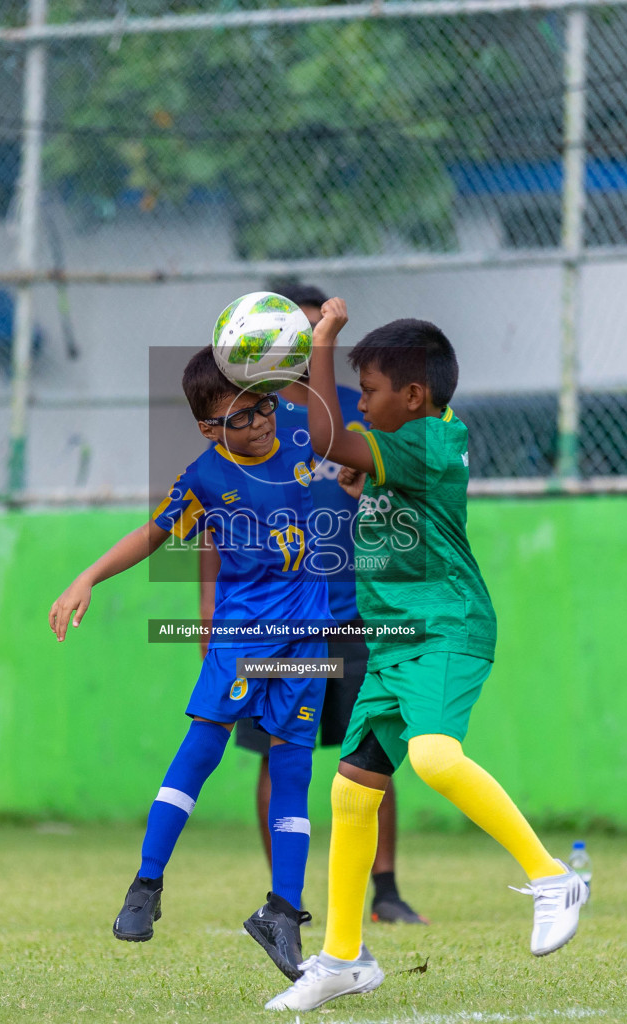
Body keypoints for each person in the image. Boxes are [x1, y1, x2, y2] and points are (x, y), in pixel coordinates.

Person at [266, 299, 586, 1012]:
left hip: (445, 628)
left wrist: (324, 339)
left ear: (412, 397)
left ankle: (551, 875)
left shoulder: (423, 445)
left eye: (370, 392)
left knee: (437, 757)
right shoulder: (420, 439)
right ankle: (344, 958)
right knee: (352, 791)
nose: (361, 404)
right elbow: (359, 462)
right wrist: (365, 476)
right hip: (394, 640)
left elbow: (324, 436)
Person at [48, 346, 331, 980]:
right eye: (241, 417)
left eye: (262, 407)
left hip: (308, 643)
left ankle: (283, 912)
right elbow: (152, 535)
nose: (259, 423)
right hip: (240, 642)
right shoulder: (205, 478)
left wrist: (319, 341)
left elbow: (326, 417)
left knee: (293, 772)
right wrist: (87, 576)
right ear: (208, 427)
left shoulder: (295, 432)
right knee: (202, 750)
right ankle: (146, 886)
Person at [203, 282, 426, 926]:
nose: (296, 344)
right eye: (283, 332)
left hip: (359, 614)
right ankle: (286, 899)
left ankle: (384, 891)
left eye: (307, 332)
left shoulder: (363, 412)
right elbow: (214, 521)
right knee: (278, 750)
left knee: (373, 751)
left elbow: (406, 498)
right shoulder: (244, 420)